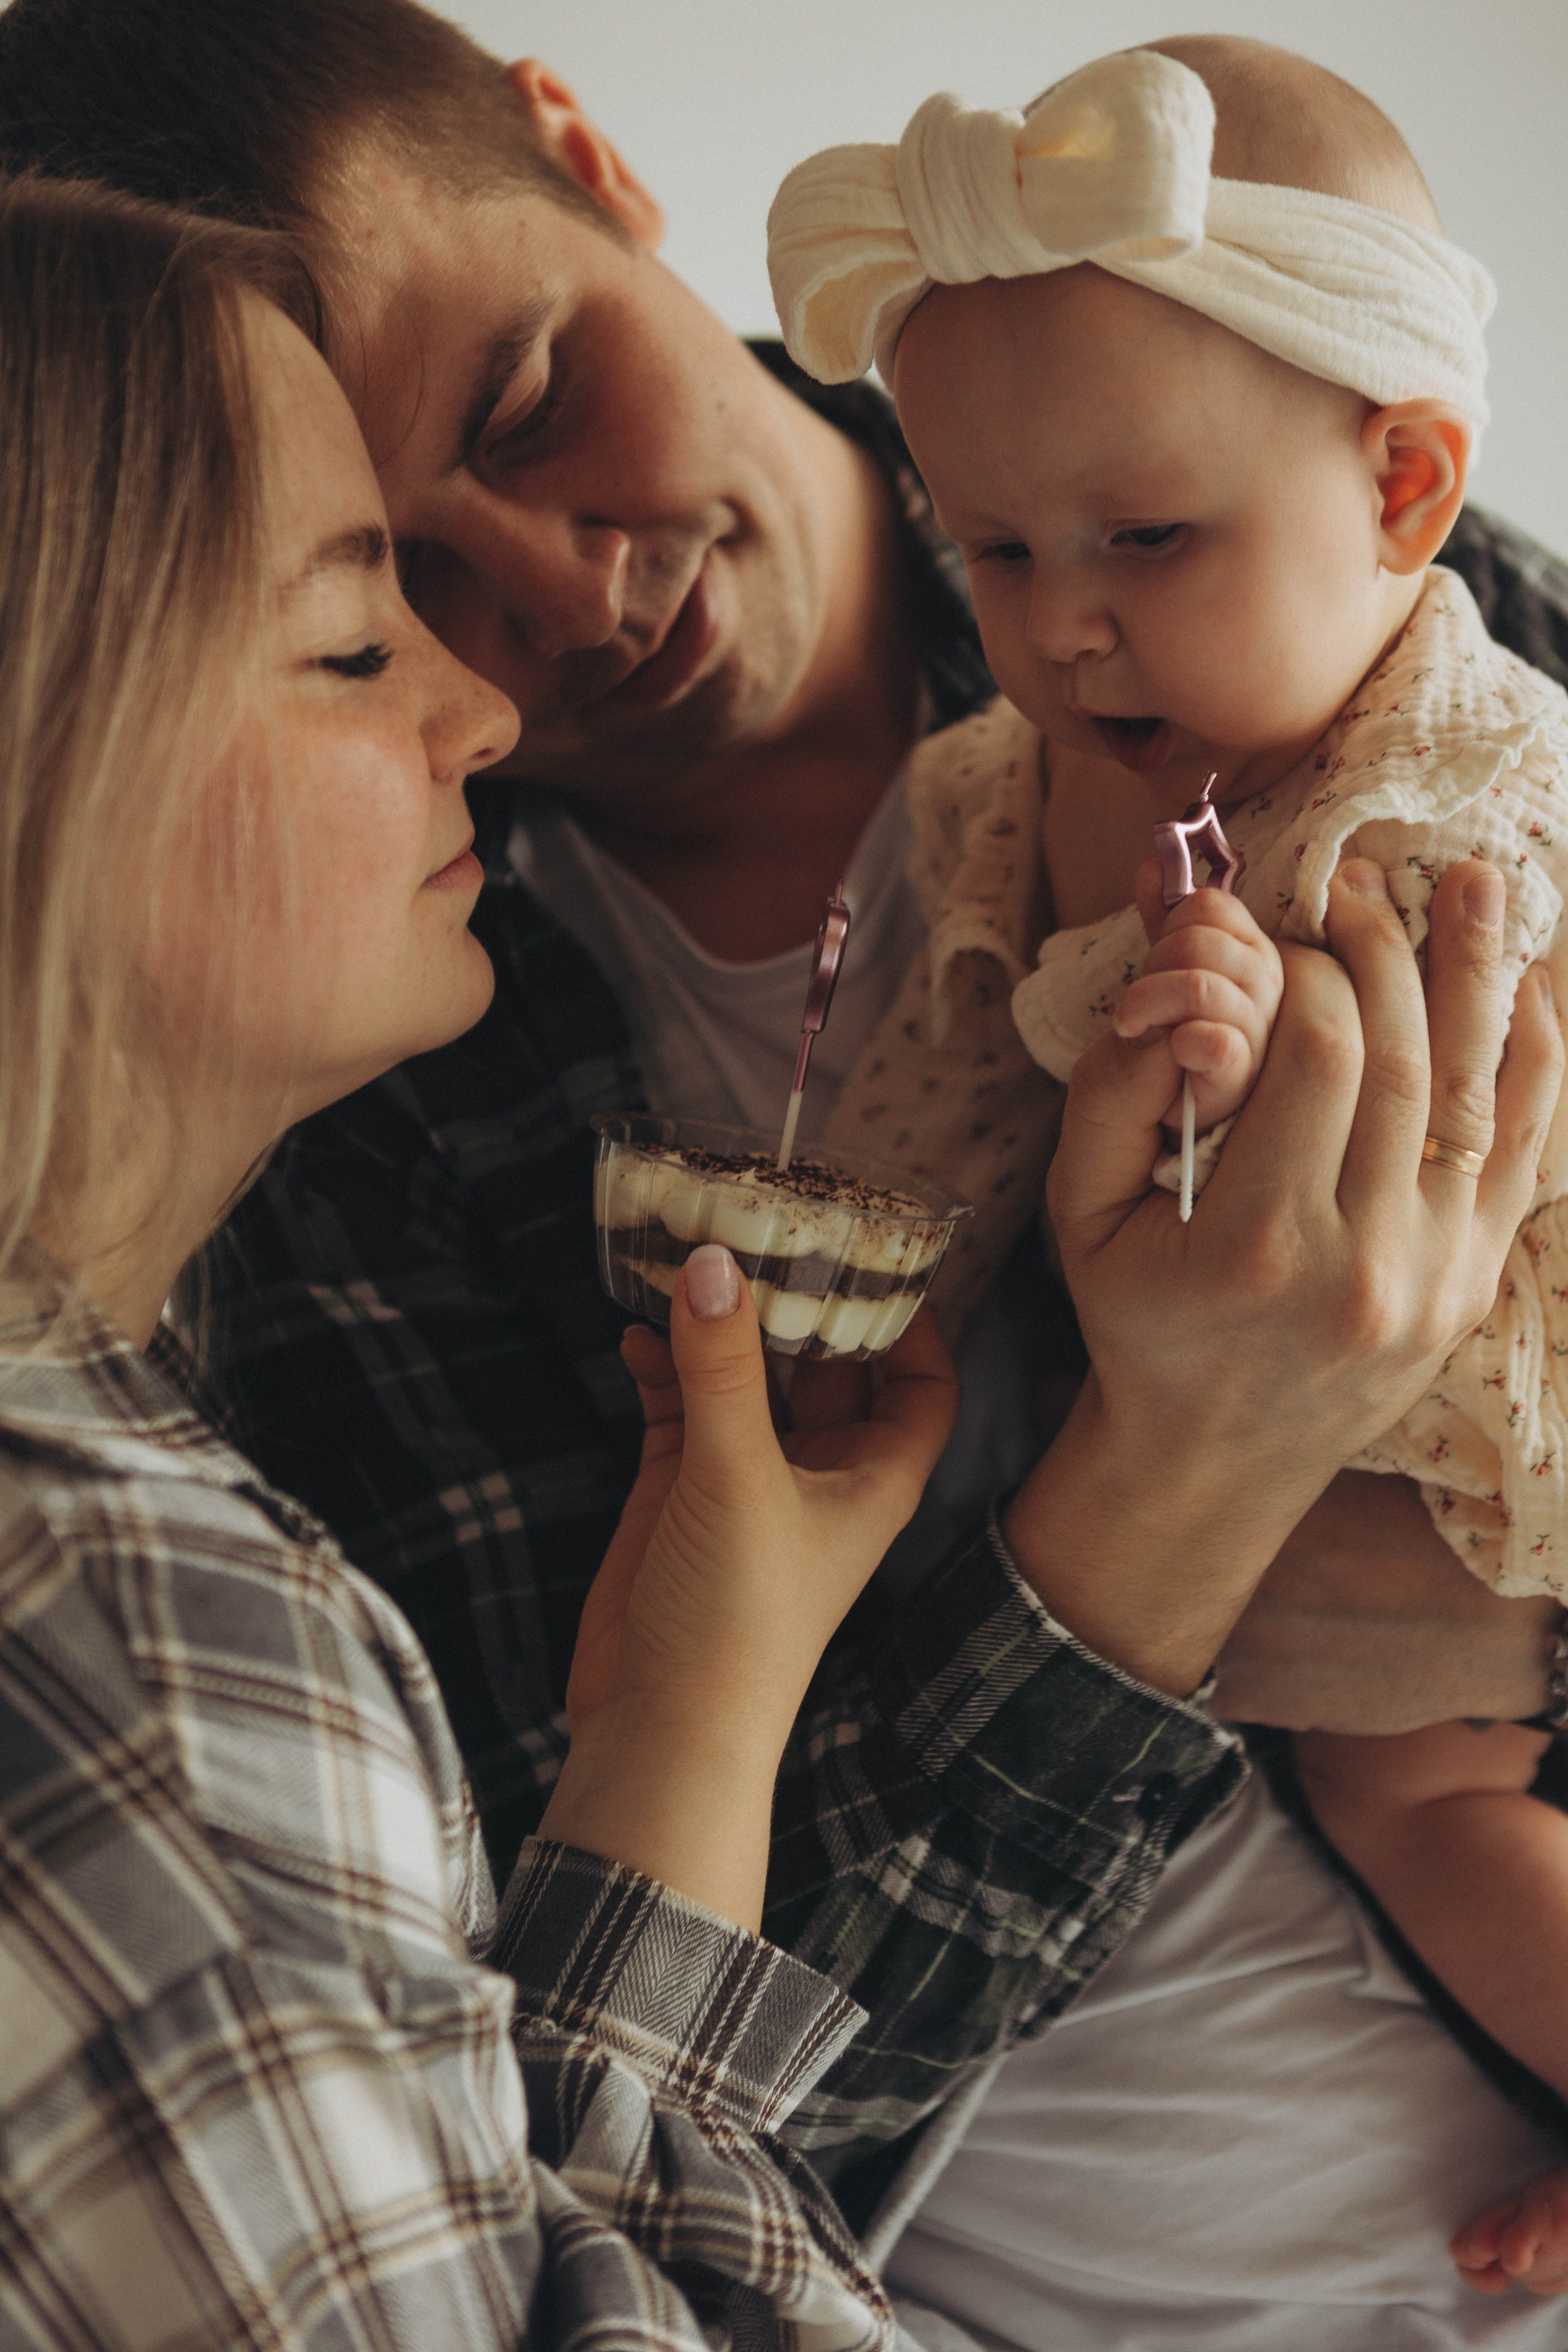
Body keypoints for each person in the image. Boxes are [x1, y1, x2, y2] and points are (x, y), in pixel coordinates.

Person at [2, 0, 1567, 2286]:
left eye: (533, 403)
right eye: (376, 587)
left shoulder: (1373, 606)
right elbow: (599, 2086)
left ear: (580, 150)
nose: (548, 606)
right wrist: (1177, 1478)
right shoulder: (329, 1084)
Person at [767, 30, 1568, 2334]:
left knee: (1423, 1803)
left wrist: (1223, 1049)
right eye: (991, 550)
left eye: (1148, 541)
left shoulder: (1447, 792)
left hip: (1453, 1418)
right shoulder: (997, 785)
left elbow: (1388, 1157)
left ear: (1406, 488)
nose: (1065, 622)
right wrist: (866, 1283)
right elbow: (938, 1077)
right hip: (1267, 1409)